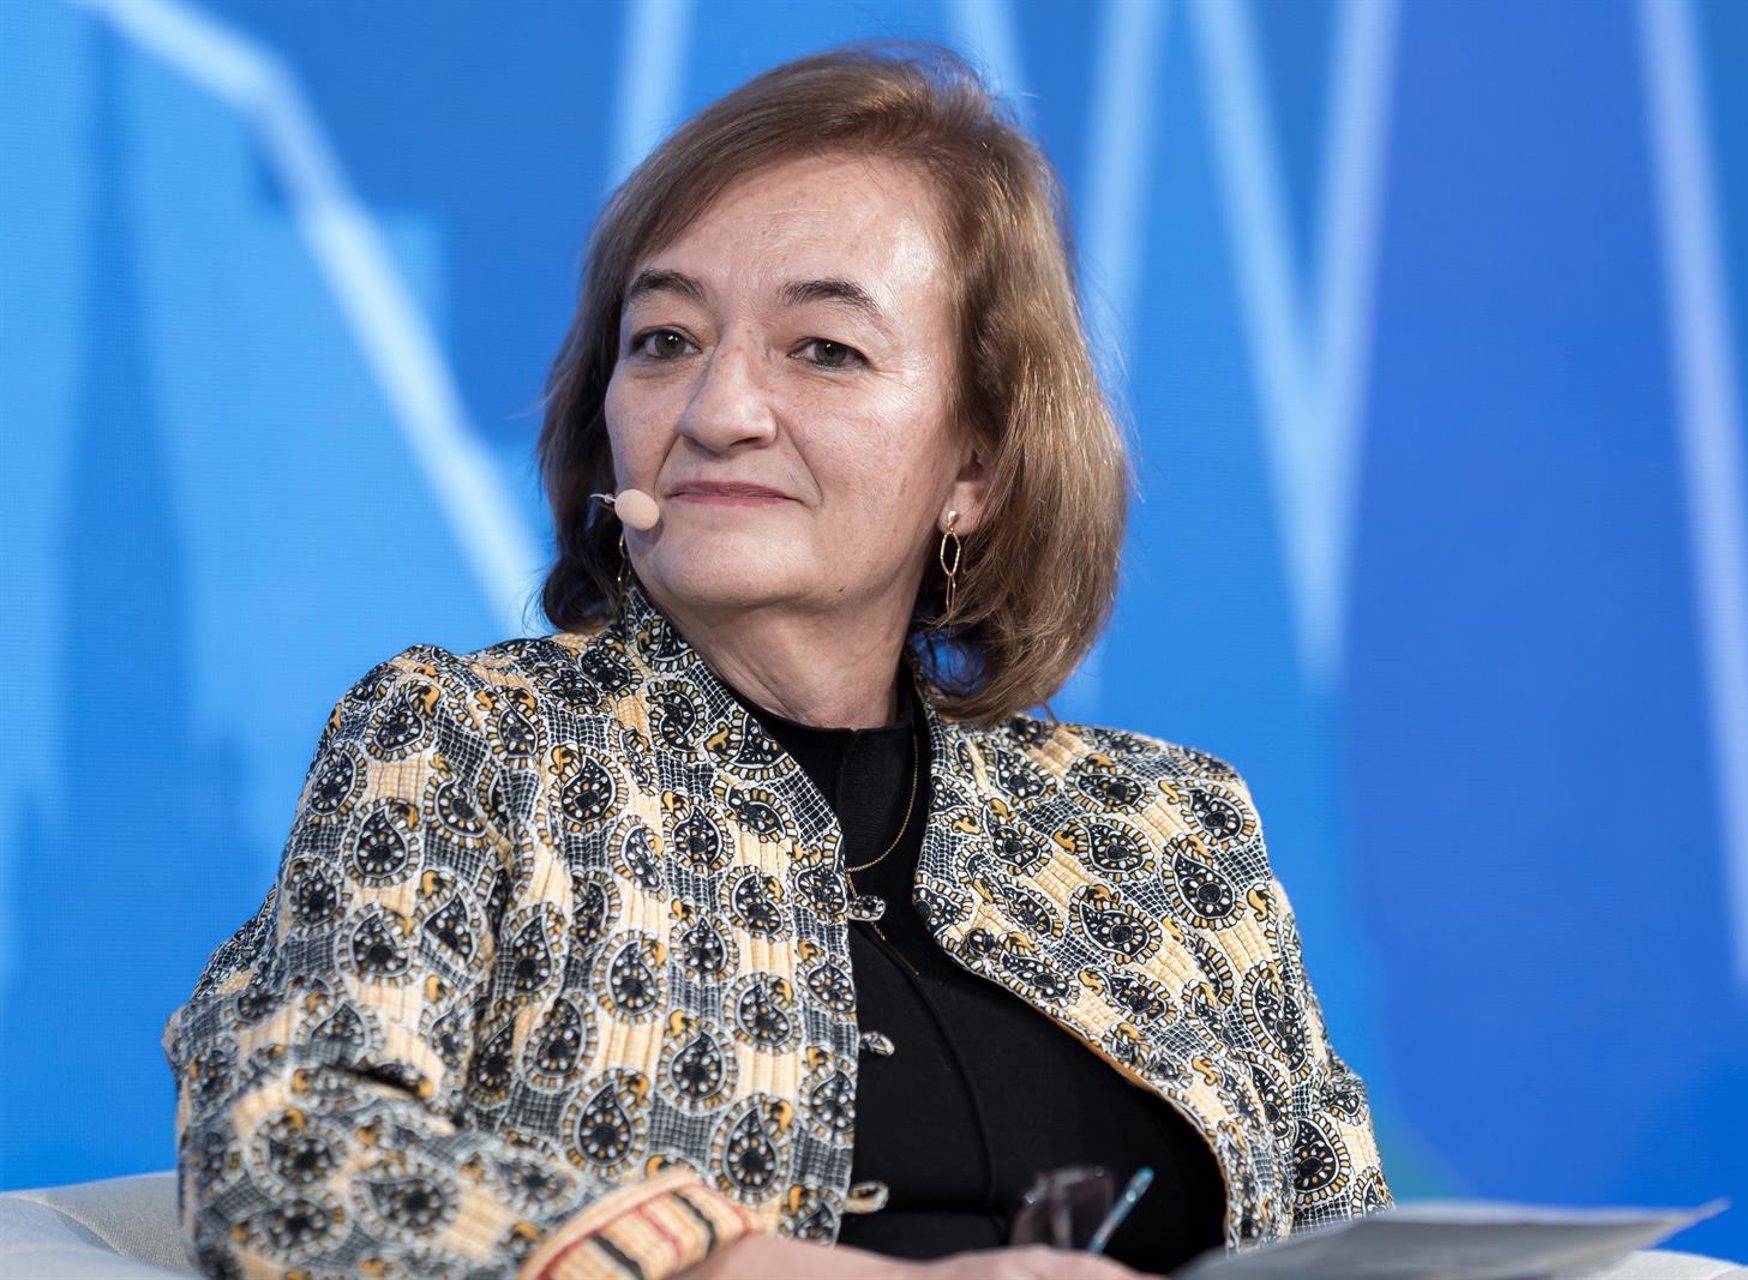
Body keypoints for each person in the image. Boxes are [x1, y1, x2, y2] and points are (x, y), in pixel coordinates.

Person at [163, 41, 1390, 1280]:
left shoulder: (1168, 827)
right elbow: (288, 1147)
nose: (717, 412)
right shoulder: (467, 744)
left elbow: (1359, 1244)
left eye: (823, 349)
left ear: (975, 465)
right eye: (664, 339)